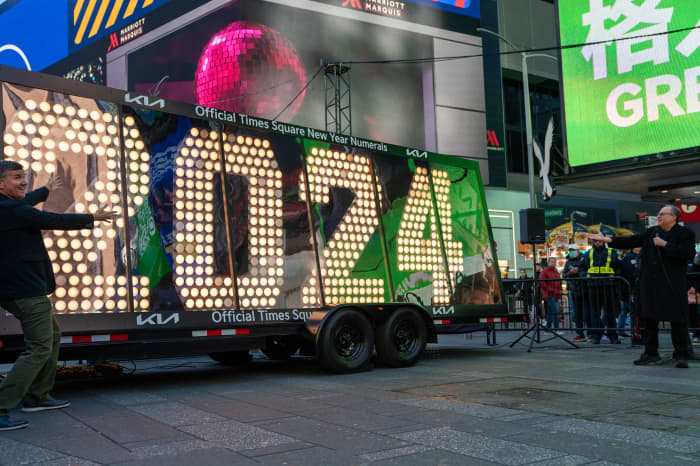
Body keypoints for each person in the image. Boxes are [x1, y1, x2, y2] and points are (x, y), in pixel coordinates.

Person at [0, 161, 115, 430]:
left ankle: (38, 396)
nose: (23, 181)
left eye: (23, 176)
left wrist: (45, 190)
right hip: (25, 290)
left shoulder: (9, 206)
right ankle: (4, 405)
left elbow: (28, 199)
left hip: (19, 289)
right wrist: (92, 218)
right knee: (39, 346)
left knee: (51, 336)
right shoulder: (12, 210)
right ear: (1, 183)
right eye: (17, 177)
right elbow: (53, 220)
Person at [589, 205, 696, 368]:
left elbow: (688, 253)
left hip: (672, 283)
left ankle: (681, 353)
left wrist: (665, 244)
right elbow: (631, 240)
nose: (658, 216)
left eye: (662, 214)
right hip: (650, 284)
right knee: (649, 320)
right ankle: (651, 353)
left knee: (677, 320)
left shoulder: (685, 233)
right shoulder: (652, 232)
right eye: (658, 214)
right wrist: (608, 240)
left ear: (674, 217)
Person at [580, 234, 622, 344]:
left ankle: (613, 336)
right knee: (595, 313)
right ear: (592, 242)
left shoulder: (610, 253)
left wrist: (615, 277)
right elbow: (582, 268)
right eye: (596, 241)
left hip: (608, 286)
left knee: (610, 313)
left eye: (600, 241)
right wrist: (585, 276)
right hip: (594, 286)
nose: (598, 243)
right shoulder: (588, 254)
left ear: (603, 242)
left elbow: (618, 267)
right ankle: (596, 336)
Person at [563, 247, 587, 342]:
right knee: (577, 313)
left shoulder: (584, 258)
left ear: (578, 251)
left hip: (585, 288)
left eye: (574, 250)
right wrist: (570, 272)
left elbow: (586, 271)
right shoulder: (568, 262)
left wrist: (579, 271)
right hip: (574, 290)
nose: (572, 252)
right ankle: (579, 333)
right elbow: (564, 275)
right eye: (570, 250)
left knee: (587, 312)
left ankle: (590, 333)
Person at [618, 247, 641, 338]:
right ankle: (634, 330)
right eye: (637, 247)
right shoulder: (630, 258)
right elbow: (631, 272)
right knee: (632, 310)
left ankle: (621, 329)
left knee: (625, 310)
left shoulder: (637, 256)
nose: (639, 248)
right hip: (630, 288)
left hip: (630, 288)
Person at [539, 257, 562, 330]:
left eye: (554, 262)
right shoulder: (545, 272)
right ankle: (556, 328)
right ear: (548, 263)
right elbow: (542, 283)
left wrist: (559, 291)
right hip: (548, 295)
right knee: (555, 311)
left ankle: (547, 328)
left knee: (550, 312)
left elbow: (559, 282)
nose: (553, 263)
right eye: (551, 262)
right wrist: (550, 290)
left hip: (555, 294)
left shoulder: (556, 272)